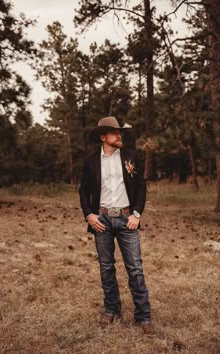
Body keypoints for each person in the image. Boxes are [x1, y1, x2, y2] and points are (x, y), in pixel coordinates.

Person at [79, 116, 154, 335]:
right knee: (106, 267)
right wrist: (89, 215)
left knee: (136, 269)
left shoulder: (131, 157)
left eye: (120, 132)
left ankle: (143, 316)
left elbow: (141, 187)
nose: (119, 135)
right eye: (114, 132)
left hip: (126, 219)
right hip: (101, 220)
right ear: (103, 137)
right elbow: (83, 191)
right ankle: (111, 310)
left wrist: (137, 214)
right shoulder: (91, 161)